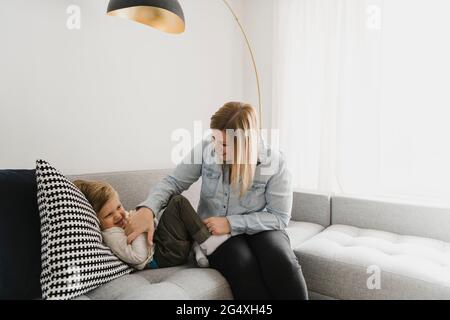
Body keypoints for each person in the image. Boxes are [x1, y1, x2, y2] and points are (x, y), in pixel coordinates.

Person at [126, 101, 309, 299]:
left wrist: (231, 223)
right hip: (214, 233)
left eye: (223, 144)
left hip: (260, 228)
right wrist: (148, 209)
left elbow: (279, 217)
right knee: (242, 263)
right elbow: (173, 182)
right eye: (214, 138)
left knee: (282, 261)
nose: (216, 147)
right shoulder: (207, 148)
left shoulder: (274, 162)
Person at [73, 180, 230, 270]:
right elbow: (139, 257)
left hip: (161, 247)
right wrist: (138, 230)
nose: (118, 215)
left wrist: (147, 220)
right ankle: (206, 243)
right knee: (178, 202)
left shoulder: (119, 223)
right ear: (96, 220)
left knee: (169, 201)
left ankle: (198, 248)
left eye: (119, 207)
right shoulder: (111, 235)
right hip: (162, 257)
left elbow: (149, 229)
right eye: (108, 215)